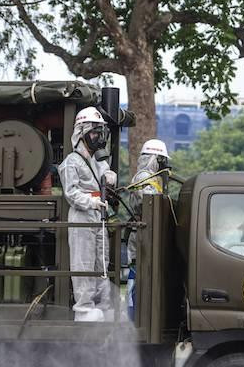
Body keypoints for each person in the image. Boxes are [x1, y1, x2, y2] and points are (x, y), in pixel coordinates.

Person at [58, 106, 117, 322]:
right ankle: (84, 308)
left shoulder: (98, 161)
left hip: (99, 214)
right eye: (94, 132)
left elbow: (105, 179)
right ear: (82, 133)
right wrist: (91, 201)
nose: (98, 137)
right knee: (83, 262)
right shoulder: (71, 162)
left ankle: (103, 304)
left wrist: (110, 176)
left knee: (101, 261)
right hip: (82, 215)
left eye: (100, 132)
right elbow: (71, 193)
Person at [126, 139, 169, 320]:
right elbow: (149, 202)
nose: (165, 165)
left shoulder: (153, 178)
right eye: (162, 161)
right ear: (155, 159)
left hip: (148, 234)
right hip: (141, 236)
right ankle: (134, 317)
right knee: (137, 276)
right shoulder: (144, 177)